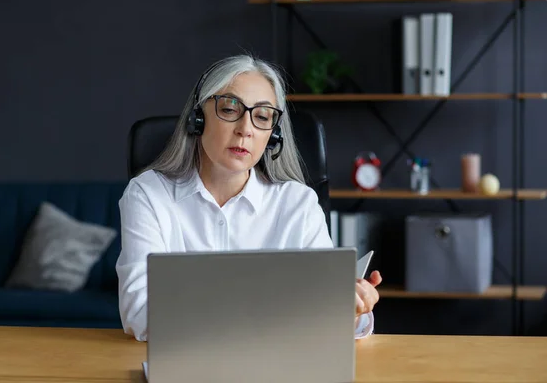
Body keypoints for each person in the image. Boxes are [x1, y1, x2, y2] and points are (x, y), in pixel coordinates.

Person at [116, 54, 382, 342]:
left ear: (273, 134)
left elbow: (323, 316)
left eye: (262, 116)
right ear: (197, 118)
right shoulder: (148, 195)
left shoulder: (298, 204)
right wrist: (281, 312)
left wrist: (352, 309)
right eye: (230, 109)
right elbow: (140, 312)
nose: (246, 128)